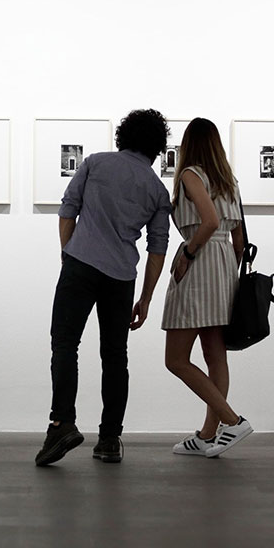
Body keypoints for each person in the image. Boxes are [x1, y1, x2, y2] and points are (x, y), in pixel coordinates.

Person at [34, 109, 171, 467]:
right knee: (115, 356)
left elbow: (67, 211)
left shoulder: (96, 163)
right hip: (122, 277)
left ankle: (62, 423)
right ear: (158, 146)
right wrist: (146, 297)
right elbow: (157, 247)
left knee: (65, 345)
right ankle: (110, 438)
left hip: (80, 263)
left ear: (123, 136)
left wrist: (69, 255)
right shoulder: (157, 190)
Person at [162, 118, 252, 458]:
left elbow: (210, 220)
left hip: (199, 261)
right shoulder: (229, 181)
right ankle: (207, 435)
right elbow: (239, 239)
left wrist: (188, 252)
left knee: (176, 359)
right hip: (224, 263)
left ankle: (232, 420)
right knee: (215, 356)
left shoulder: (190, 176)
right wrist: (226, 264)